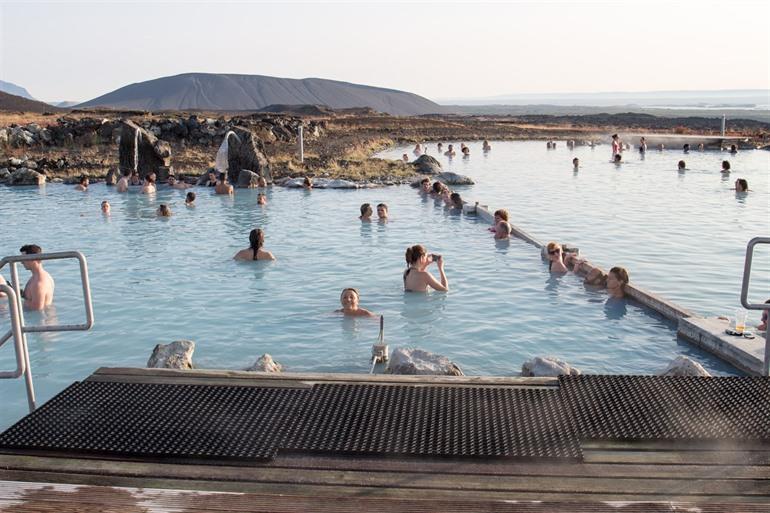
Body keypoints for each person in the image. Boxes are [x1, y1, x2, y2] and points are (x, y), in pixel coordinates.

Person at [19, 245, 54, 311]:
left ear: (33, 259)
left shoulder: (39, 282)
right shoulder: (36, 277)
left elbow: (37, 309)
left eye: (23, 259)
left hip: (41, 320)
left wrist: (19, 300)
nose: (21, 262)